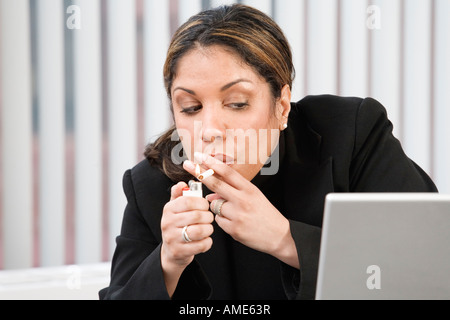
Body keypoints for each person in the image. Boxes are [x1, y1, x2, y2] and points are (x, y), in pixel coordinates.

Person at [99, 4, 437, 300]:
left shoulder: (350, 136)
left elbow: (427, 269)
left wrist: (285, 239)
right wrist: (168, 262)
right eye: (190, 107)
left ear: (282, 105)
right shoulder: (153, 185)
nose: (211, 129)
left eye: (237, 103)